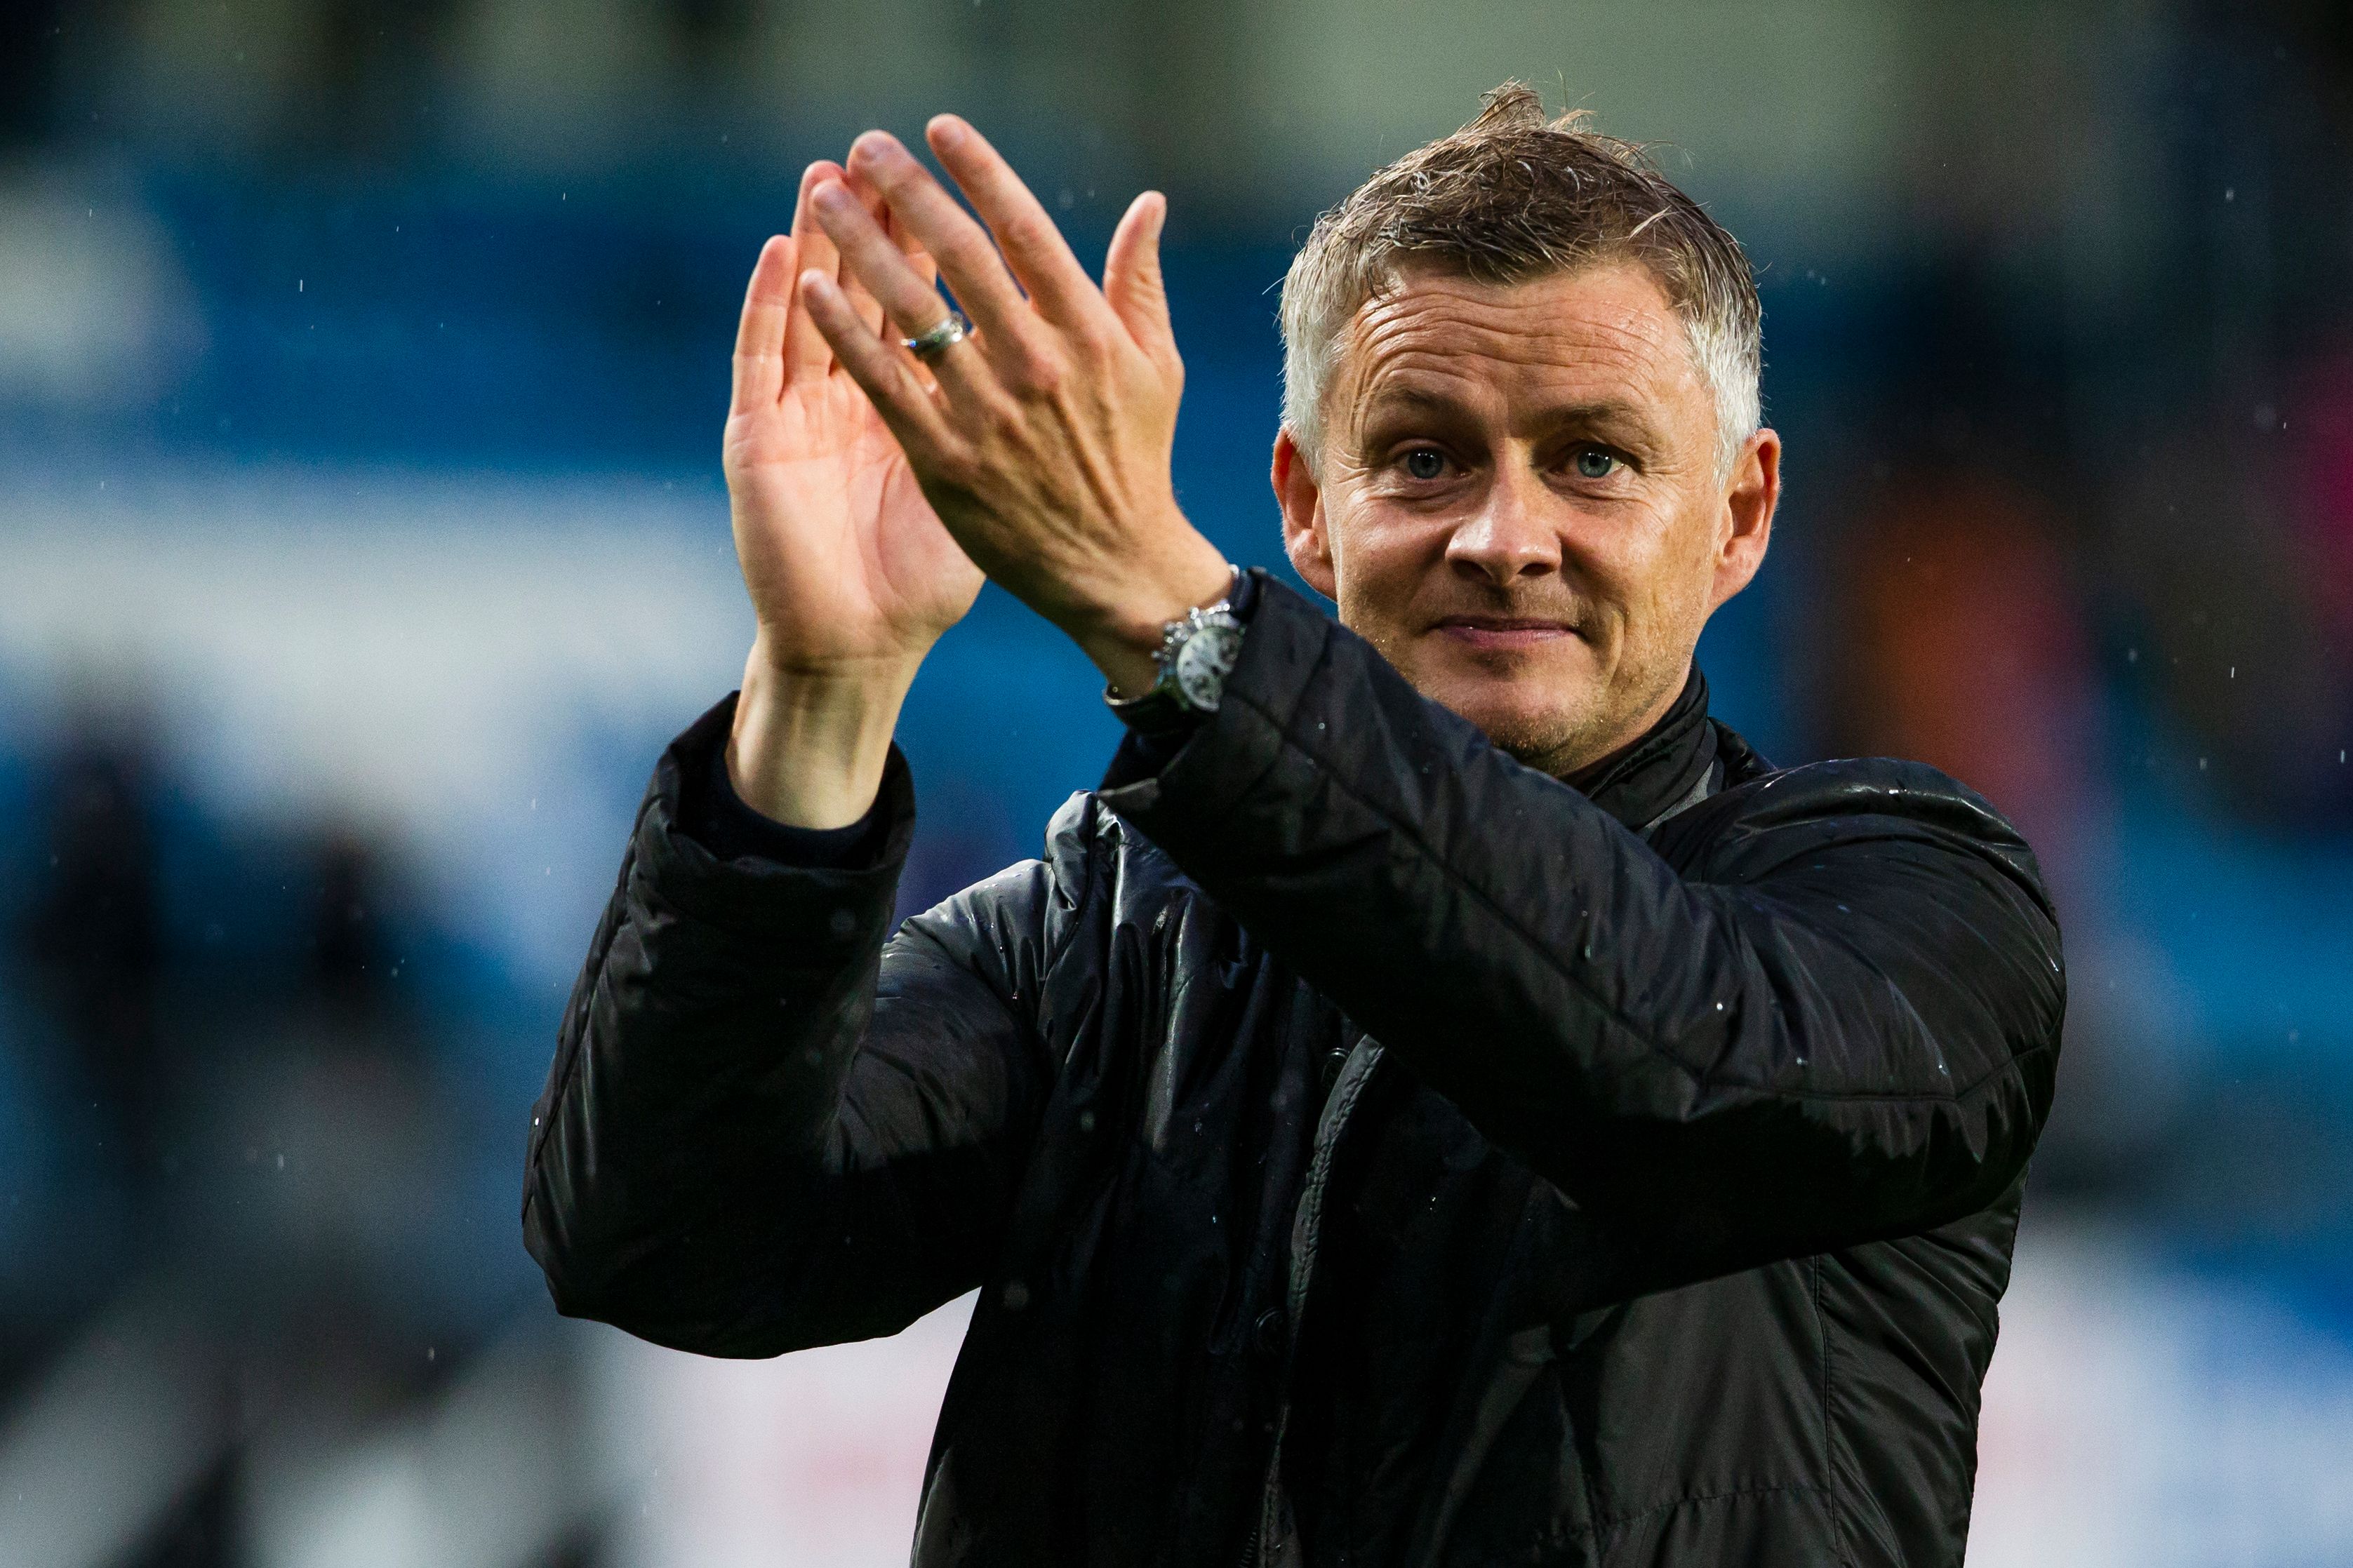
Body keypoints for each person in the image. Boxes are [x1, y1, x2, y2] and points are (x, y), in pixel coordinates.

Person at [524, 84, 2063, 1567]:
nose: (1502, 535)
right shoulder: (1102, 933)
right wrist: (822, 690)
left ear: (1739, 516)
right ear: (1305, 504)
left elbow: (1667, 1065)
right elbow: (667, 1234)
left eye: (1593, 459)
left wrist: (1177, 620)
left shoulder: (1914, 895)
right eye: (1423, 456)